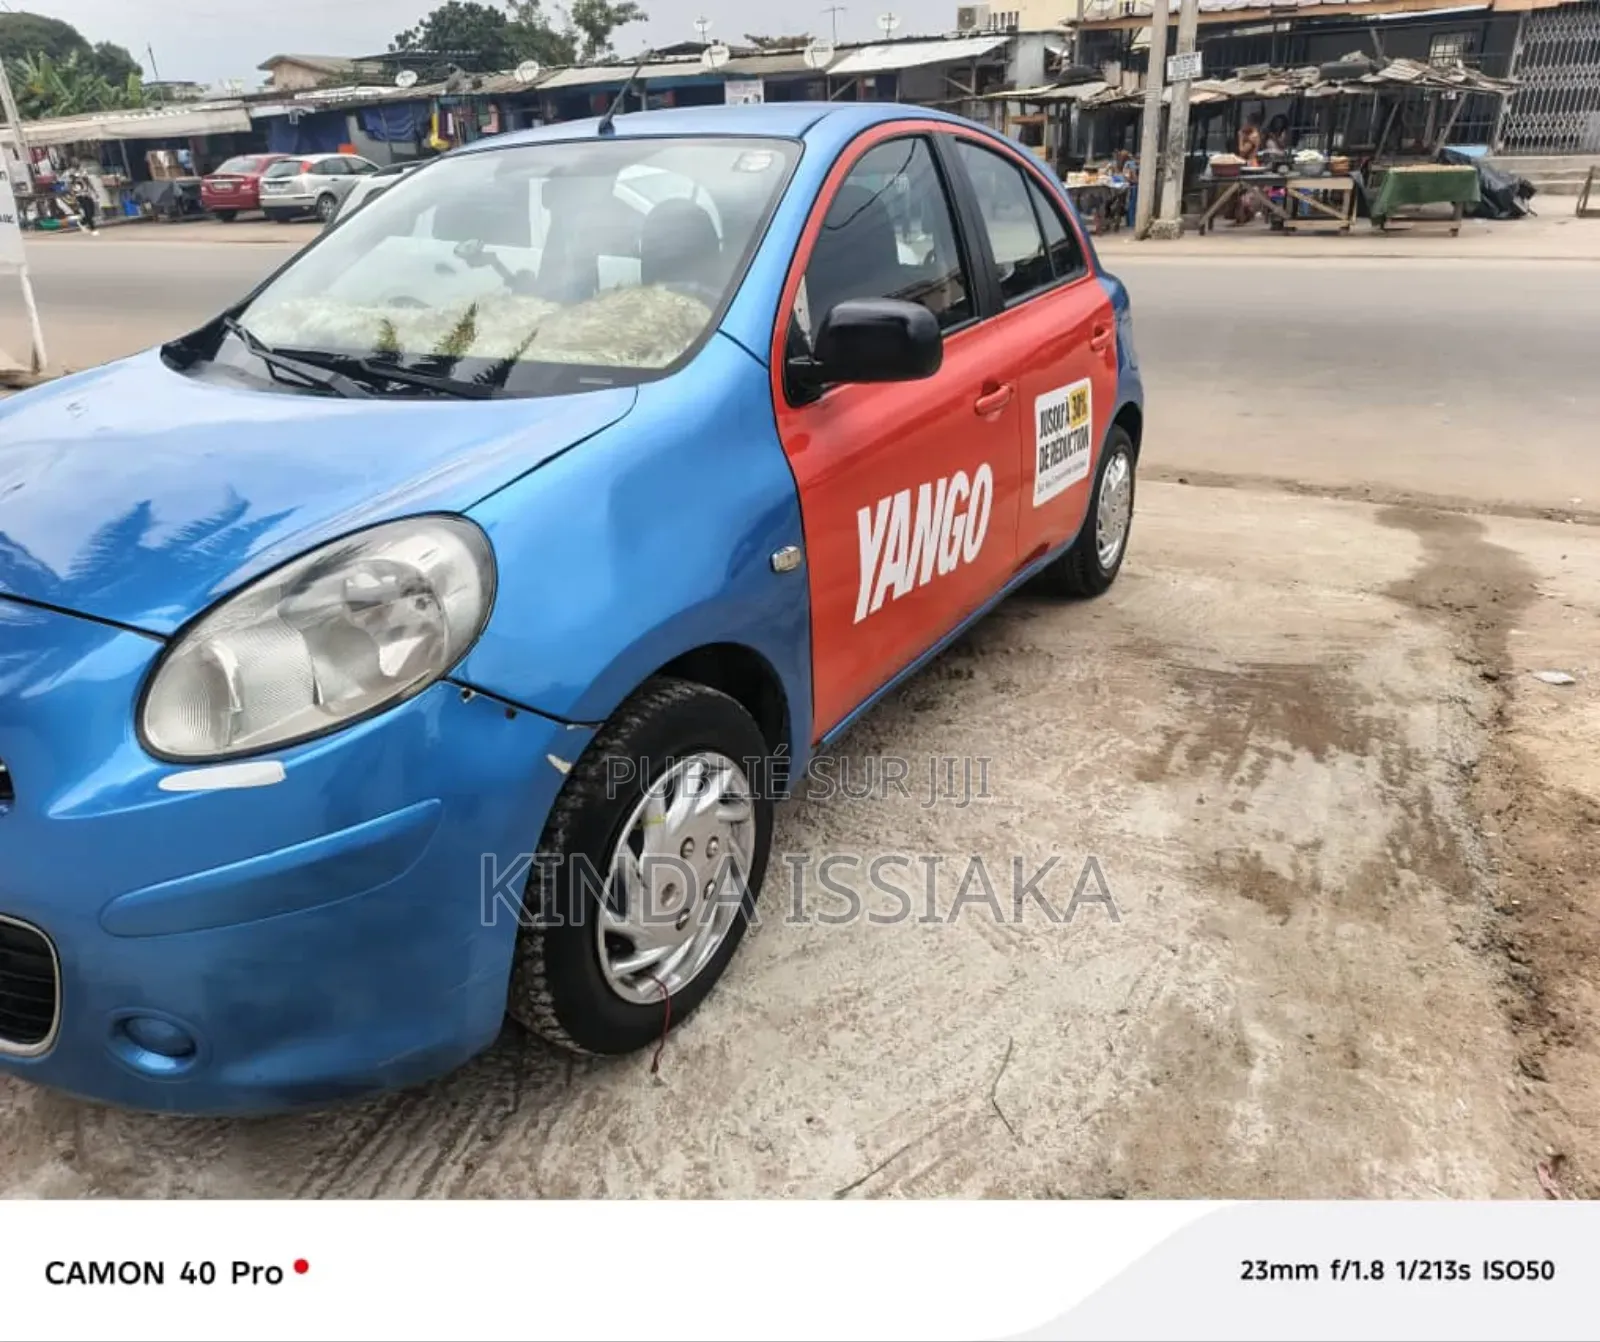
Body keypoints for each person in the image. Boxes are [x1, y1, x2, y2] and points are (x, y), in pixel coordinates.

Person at [68, 169, 99, 235]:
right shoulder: (74, 181)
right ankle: (93, 229)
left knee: (92, 212)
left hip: (88, 196)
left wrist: (95, 192)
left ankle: (82, 222)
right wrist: (74, 198)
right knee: (87, 212)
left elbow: (90, 185)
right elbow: (73, 190)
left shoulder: (85, 179)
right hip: (81, 197)